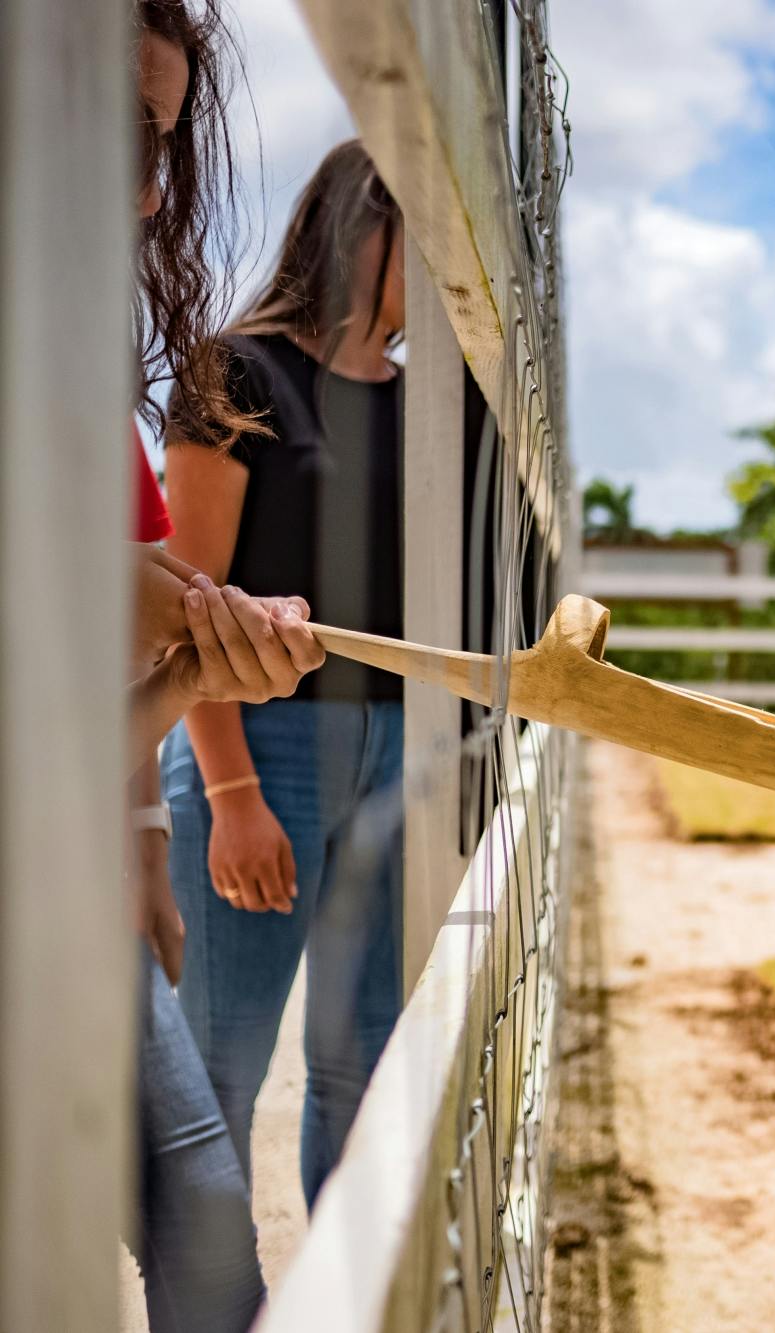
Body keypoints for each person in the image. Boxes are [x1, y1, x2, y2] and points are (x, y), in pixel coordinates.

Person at [122, 5, 328, 1331]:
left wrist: (139, 828)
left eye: (161, 145)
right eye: (126, 131)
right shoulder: (233, 378)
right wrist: (218, 759)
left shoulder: (75, 388)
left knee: (201, 1208)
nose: (149, 188)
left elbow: (121, 655)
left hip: (74, 857)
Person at [163, 138, 407, 1211]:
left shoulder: (441, 402)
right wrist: (231, 795)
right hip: (261, 742)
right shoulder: (235, 371)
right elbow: (186, 605)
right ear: (367, 226)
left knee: (364, 1071)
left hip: (402, 752)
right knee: (221, 1074)